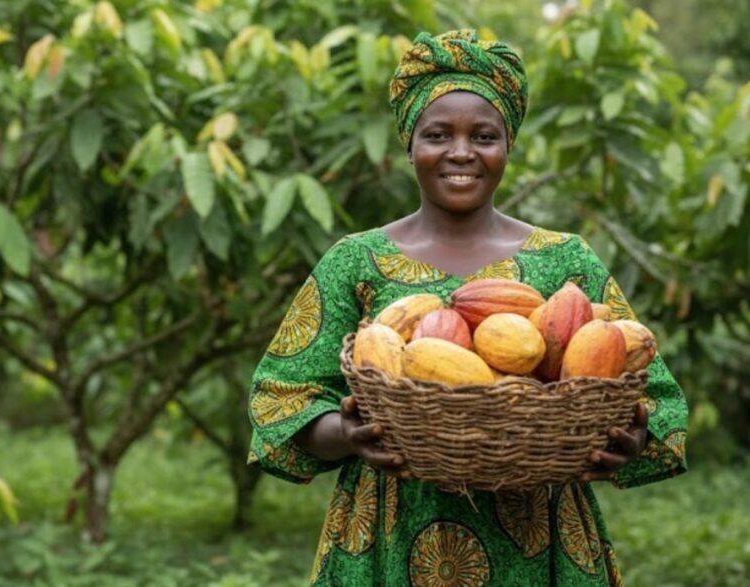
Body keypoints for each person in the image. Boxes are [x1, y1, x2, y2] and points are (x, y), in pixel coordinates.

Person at [246, 30, 688, 586]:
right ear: (409, 145)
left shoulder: (566, 261)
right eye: (437, 135)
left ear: (508, 146)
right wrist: (347, 432)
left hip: (537, 536)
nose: (460, 153)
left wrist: (633, 437)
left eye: (484, 135)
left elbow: (658, 399)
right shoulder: (354, 261)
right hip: (391, 532)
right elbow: (280, 399)